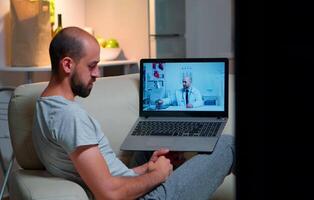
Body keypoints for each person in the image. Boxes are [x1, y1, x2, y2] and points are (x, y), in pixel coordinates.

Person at [32, 27, 236, 200]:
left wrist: (147, 168)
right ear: (67, 64)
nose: (97, 74)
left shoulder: (45, 106)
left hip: (128, 185)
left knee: (157, 144)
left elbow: (107, 175)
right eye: (92, 66)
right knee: (228, 145)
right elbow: (108, 193)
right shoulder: (70, 117)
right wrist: (158, 175)